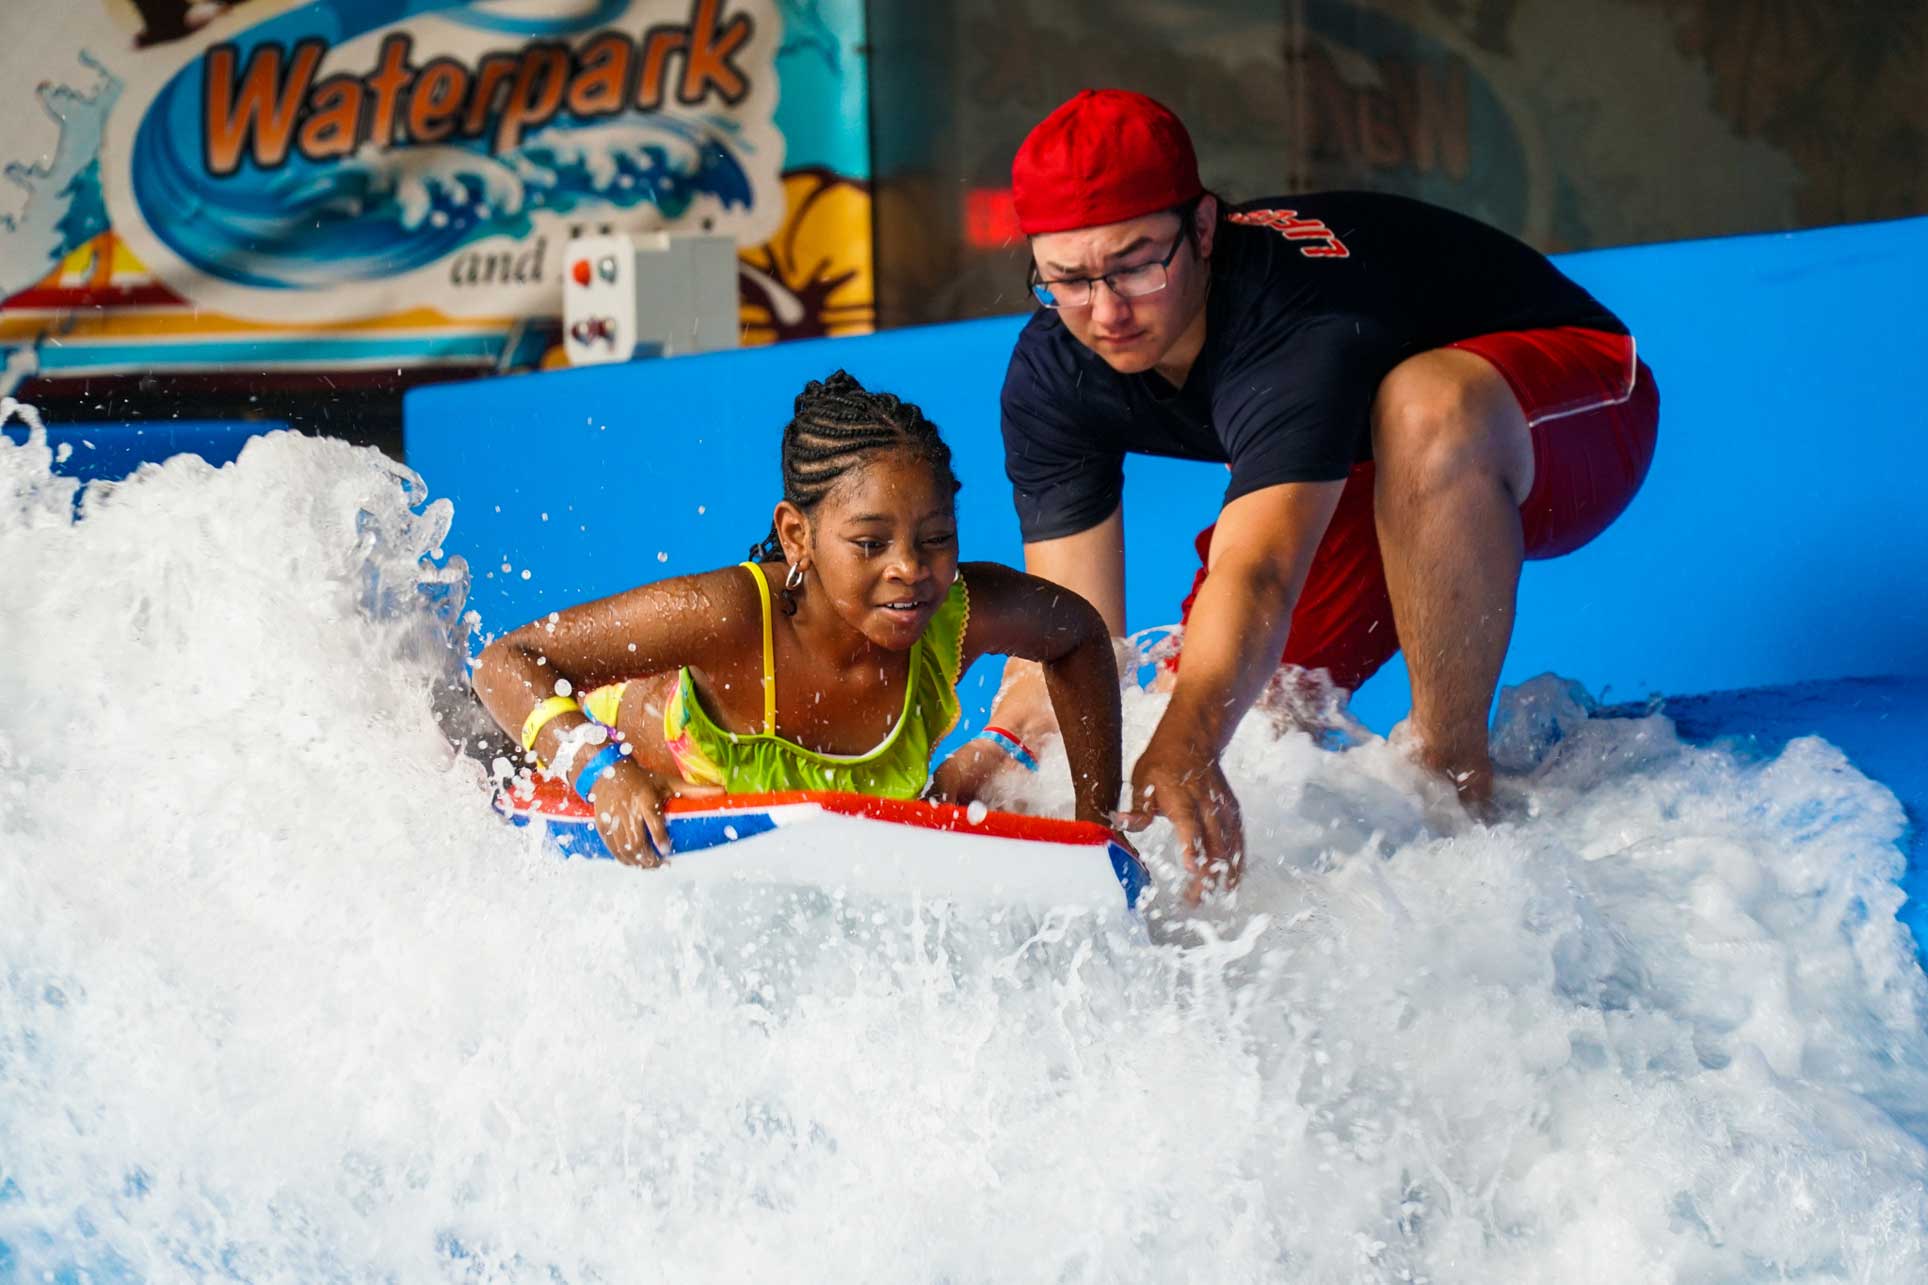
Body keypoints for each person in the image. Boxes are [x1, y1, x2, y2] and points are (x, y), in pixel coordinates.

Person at [963, 89, 1660, 901]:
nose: (1108, 311)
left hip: (1569, 410)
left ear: (1203, 228)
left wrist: (1190, 740)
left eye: (1137, 263)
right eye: (1068, 281)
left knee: (1422, 404)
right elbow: (1071, 626)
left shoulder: (1291, 322)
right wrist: (1009, 756)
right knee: (1221, 717)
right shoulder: (1053, 370)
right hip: (1368, 460)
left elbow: (1256, 572)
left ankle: (1456, 772)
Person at [472, 370, 1124, 865]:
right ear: (796, 535)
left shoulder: (959, 610)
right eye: (870, 543)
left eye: (936, 538)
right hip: (535, 754)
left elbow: (1080, 637)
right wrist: (598, 770)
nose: (911, 568)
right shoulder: (730, 618)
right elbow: (506, 661)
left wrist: (1099, 829)